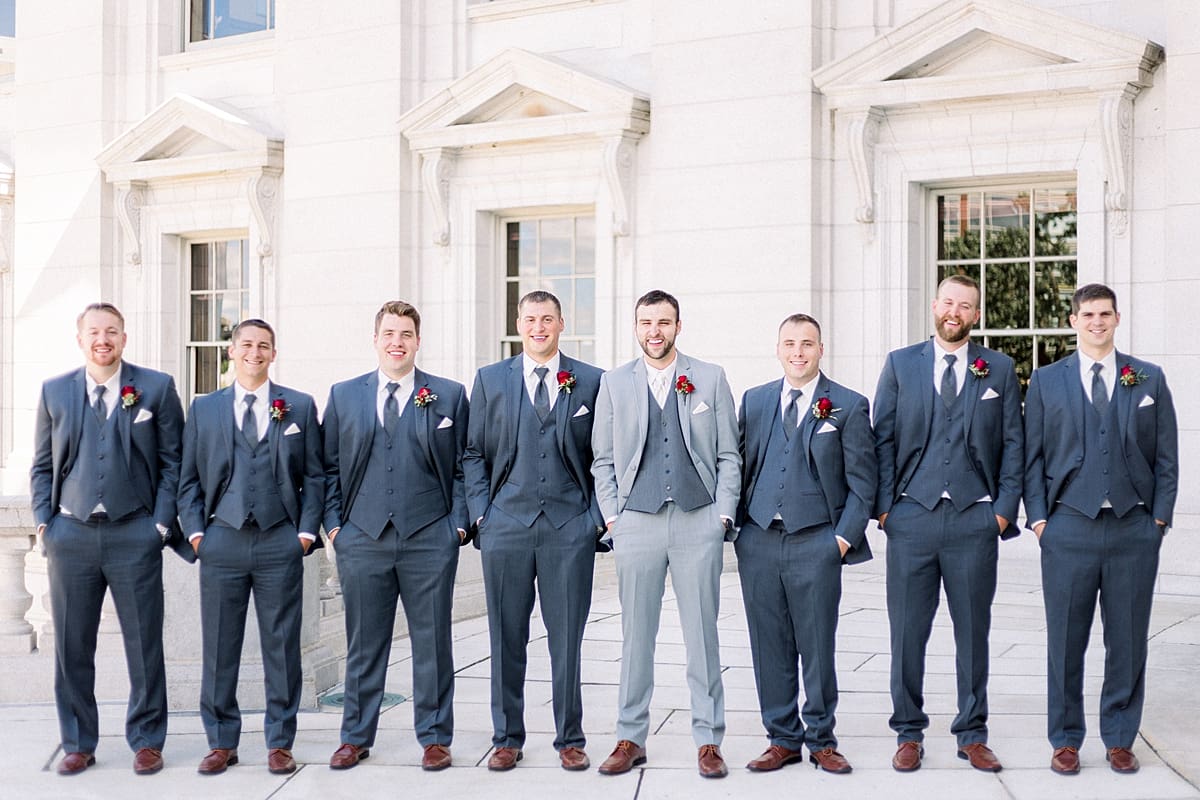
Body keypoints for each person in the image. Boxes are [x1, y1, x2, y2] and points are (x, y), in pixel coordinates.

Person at [1024, 283, 1177, 775]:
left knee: (1128, 639)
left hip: (1134, 528)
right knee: (1066, 639)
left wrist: (1158, 520)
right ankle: (1066, 739)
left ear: (1117, 318)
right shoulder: (1047, 381)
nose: (1096, 322)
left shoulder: (1147, 378)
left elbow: (1167, 457)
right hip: (1068, 526)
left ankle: (1118, 737)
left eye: (1104, 314)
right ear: (1073, 321)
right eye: (1087, 314)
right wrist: (1041, 519)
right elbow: (1033, 458)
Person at [872, 274, 1022, 773]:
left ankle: (972, 732)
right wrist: (888, 509)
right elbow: (883, 440)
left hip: (974, 520)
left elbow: (1014, 444)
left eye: (966, 306)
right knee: (907, 632)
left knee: (973, 631)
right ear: (935, 305)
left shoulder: (997, 368)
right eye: (948, 302)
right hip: (911, 518)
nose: (955, 311)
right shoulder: (900, 364)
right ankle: (908, 732)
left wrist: (1001, 511)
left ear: (976, 315)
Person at [31, 302, 186, 776]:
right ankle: (78, 741)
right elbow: (40, 466)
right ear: (80, 339)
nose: (104, 339)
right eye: (95, 332)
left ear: (124, 337)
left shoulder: (156, 388)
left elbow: (173, 463)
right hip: (71, 535)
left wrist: (158, 526)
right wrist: (45, 524)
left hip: (134, 534)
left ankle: (146, 740)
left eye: (112, 332)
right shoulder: (54, 391)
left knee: (144, 644)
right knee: (72, 646)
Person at [591, 289, 740, 779]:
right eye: (646, 323)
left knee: (703, 635)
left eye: (664, 322)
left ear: (679, 326)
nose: (655, 331)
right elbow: (604, 460)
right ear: (636, 328)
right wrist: (614, 517)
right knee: (637, 637)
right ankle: (631, 736)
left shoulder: (710, 378)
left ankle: (709, 740)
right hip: (637, 521)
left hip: (698, 520)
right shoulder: (614, 384)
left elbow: (727, 455)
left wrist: (721, 515)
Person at [322, 301, 469, 771]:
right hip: (362, 537)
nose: (397, 342)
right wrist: (336, 528)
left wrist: (457, 527)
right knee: (364, 642)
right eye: (389, 333)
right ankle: (355, 736)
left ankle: (434, 736)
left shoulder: (448, 395)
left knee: (432, 641)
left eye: (405, 334)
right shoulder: (345, 395)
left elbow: (466, 464)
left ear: (418, 341)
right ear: (375, 338)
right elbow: (327, 468)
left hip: (430, 536)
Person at [463, 290, 605, 772]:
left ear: (562, 323)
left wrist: (595, 520)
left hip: (571, 528)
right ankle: (507, 737)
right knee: (506, 636)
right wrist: (483, 515)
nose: (539, 326)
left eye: (548, 318)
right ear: (518, 324)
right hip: (506, 526)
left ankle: (570, 737)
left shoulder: (590, 381)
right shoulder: (490, 380)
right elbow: (472, 454)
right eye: (530, 319)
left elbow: (603, 455)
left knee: (567, 638)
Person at [178, 319, 324, 776]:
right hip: (222, 540)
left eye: (263, 346)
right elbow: (187, 480)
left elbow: (315, 476)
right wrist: (198, 535)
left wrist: (304, 534)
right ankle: (221, 741)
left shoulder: (298, 405)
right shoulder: (205, 409)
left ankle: (280, 741)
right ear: (231, 351)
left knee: (282, 647)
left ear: (273, 353)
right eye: (246, 345)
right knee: (220, 646)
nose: (254, 353)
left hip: (280, 539)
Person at [736, 313, 875, 775]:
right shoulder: (754, 402)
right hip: (759, 539)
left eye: (807, 344)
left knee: (817, 644)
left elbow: (862, 484)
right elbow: (740, 466)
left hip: (817, 540)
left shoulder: (849, 406)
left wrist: (840, 540)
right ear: (778, 349)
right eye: (790, 343)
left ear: (821, 349)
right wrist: (739, 532)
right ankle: (781, 738)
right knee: (768, 643)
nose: (798, 352)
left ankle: (821, 738)